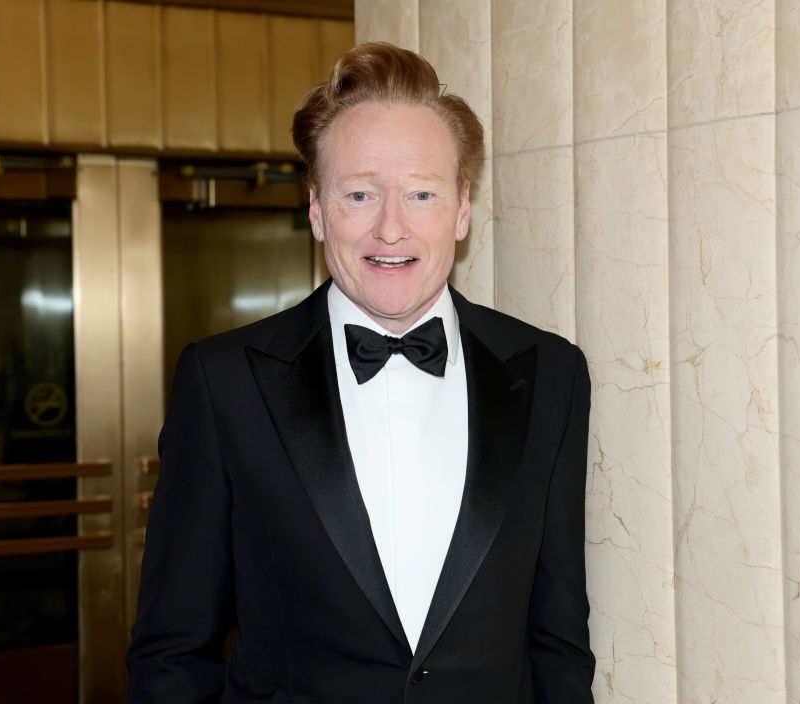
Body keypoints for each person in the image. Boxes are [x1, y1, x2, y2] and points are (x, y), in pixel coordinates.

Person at [127, 41, 595, 703]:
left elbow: (559, 643)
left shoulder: (552, 375)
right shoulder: (223, 382)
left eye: (422, 194)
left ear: (463, 209)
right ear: (317, 210)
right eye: (360, 194)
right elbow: (172, 652)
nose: (392, 229)